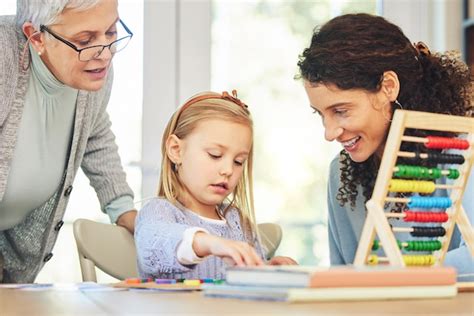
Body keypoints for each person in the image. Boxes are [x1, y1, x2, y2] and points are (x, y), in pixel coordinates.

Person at [297, 13, 473, 279]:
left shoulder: (459, 155)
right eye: (320, 114)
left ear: (388, 87)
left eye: (341, 111)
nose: (329, 133)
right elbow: (344, 275)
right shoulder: (341, 173)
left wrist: (398, 275)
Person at [0, 0, 137, 283]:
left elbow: (95, 134)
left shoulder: (92, 70)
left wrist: (124, 209)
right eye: (85, 39)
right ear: (36, 37)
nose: (105, 53)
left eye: (111, 32)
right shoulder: (4, 58)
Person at [135, 90, 296, 280]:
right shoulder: (159, 212)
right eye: (215, 155)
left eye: (238, 161)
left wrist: (268, 269)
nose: (228, 170)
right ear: (176, 150)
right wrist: (210, 243)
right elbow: (156, 244)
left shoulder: (237, 220)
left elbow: (248, 275)